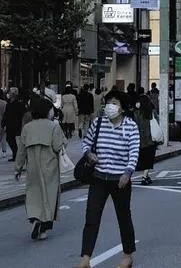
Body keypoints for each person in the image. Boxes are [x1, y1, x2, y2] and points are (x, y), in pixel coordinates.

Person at [77, 90, 139, 268]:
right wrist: (89, 154)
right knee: (92, 217)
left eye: (115, 103)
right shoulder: (98, 123)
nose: (110, 106)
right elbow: (86, 143)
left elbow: (134, 152)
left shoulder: (130, 126)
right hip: (98, 177)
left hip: (120, 180)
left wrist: (127, 173)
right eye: (108, 102)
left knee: (124, 217)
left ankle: (127, 255)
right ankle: (85, 258)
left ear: (122, 108)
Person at [14, 97, 66, 240]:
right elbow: (58, 146)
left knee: (34, 195)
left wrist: (18, 169)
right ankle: (43, 228)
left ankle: (36, 219)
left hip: (33, 168)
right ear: (47, 111)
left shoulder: (27, 128)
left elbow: (21, 151)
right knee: (50, 196)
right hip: (50, 166)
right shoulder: (53, 126)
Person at [132, 87, 157, 186]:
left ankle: (135, 176)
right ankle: (145, 176)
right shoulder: (151, 112)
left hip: (139, 139)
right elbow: (157, 122)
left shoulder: (136, 113)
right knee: (148, 159)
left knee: (139, 158)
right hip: (150, 139)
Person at [2, 88, 25, 161]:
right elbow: (6, 114)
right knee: (9, 139)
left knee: (13, 140)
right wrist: (3, 123)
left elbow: (21, 114)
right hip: (9, 124)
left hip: (16, 124)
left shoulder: (19, 104)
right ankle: (15, 154)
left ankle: (16, 155)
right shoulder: (8, 103)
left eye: (10, 93)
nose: (8, 94)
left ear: (13, 94)